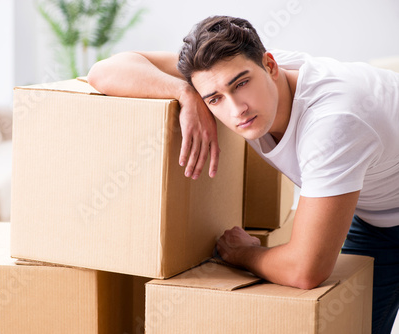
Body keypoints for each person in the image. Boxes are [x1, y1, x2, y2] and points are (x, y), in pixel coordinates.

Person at [87, 16, 399, 333]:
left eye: (241, 84)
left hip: (383, 207)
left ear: (271, 65)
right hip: (378, 216)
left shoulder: (333, 123)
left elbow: (305, 271)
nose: (237, 109)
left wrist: (244, 253)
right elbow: (104, 71)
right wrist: (187, 96)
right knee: (352, 324)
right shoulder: (232, 71)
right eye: (216, 98)